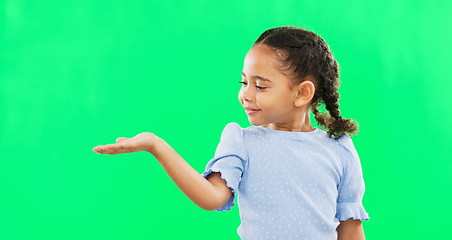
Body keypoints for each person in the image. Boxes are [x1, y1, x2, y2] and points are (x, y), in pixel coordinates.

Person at [93, 26, 370, 239]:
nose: (245, 95)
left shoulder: (339, 149)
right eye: (244, 82)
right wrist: (156, 145)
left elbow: (350, 229)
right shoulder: (241, 140)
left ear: (302, 93)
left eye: (260, 86)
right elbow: (212, 197)